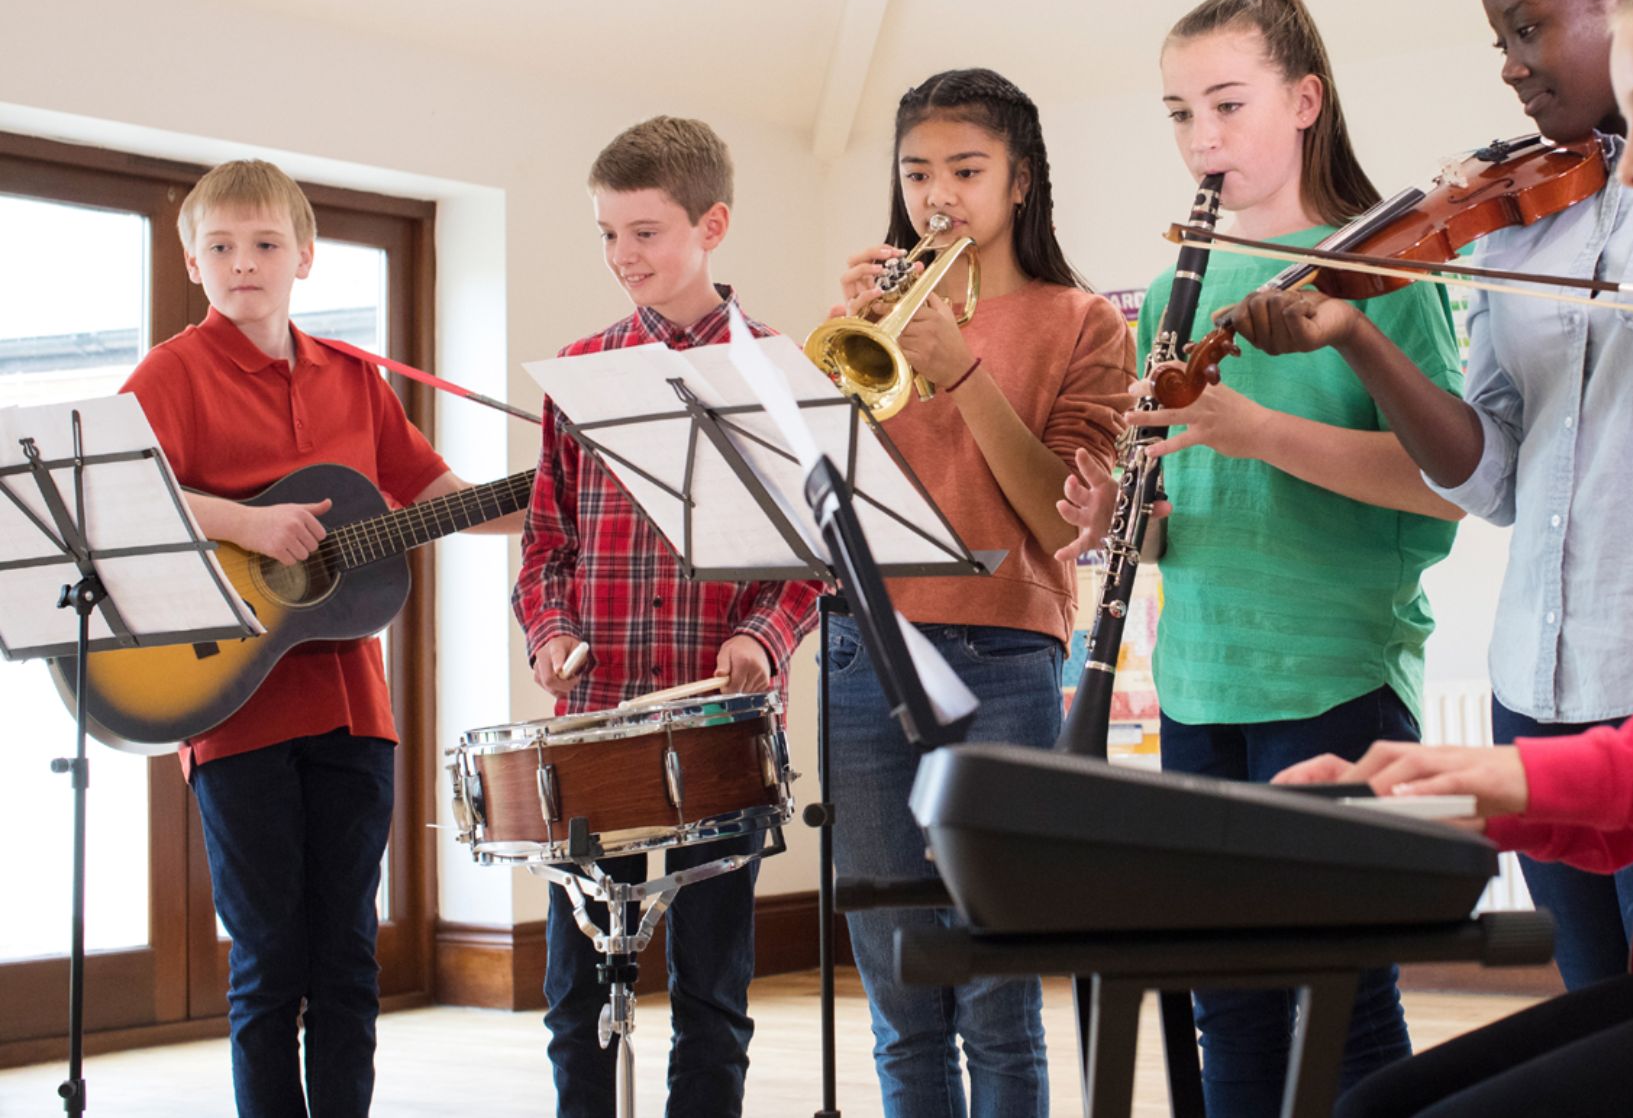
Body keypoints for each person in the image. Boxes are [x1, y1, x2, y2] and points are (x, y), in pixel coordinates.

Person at [1215, 0, 1633, 991]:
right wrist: (1360, 336)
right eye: (1499, 40)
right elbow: (1492, 479)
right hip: (1536, 682)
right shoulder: (1519, 217)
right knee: (1595, 1015)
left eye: (1529, 28)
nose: (1512, 67)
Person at [1057, 0, 1463, 1116]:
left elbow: (1445, 485)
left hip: (1330, 672)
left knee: (1344, 997)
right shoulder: (1170, 289)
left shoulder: (1385, 267)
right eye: (1179, 113)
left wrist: (1260, 432)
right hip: (1200, 678)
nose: (1201, 137)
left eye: (1226, 104)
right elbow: (1190, 505)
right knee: (1224, 1001)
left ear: (1303, 101)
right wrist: (1119, 519)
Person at [122, 158, 519, 1118]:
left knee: (347, 954)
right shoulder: (172, 373)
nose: (243, 264)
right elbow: (122, 494)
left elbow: (437, 495)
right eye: (221, 247)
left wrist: (557, 499)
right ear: (192, 260)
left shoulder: (353, 376)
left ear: (304, 256)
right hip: (231, 709)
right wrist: (246, 524)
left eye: (264, 245)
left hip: (353, 710)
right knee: (269, 958)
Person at [821, 67, 1132, 1118]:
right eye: (916, 173)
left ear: (1019, 181)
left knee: (997, 994)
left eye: (964, 169)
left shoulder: (1083, 321)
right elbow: (819, 486)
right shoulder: (865, 319)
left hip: (1003, 650)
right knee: (897, 989)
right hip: (864, 649)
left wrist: (959, 370)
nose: (936, 195)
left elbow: (1058, 517)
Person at [511, 116, 820, 1118]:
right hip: (595, 722)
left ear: (710, 226)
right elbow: (544, 548)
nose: (622, 255)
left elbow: (813, 559)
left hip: (720, 725)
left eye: (643, 232)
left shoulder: (779, 372)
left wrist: (761, 636)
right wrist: (550, 631)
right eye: (607, 233)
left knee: (712, 998)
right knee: (574, 997)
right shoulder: (578, 372)